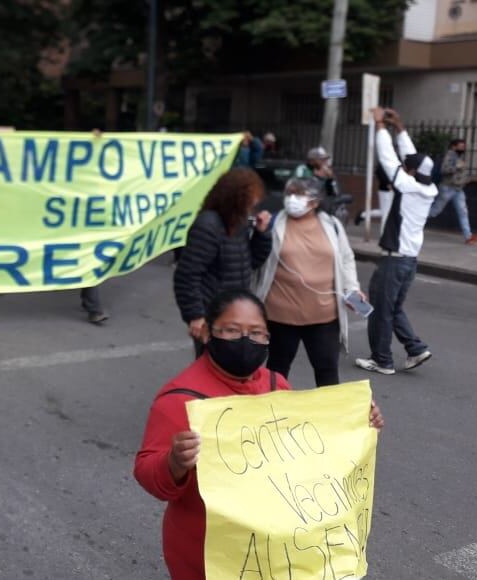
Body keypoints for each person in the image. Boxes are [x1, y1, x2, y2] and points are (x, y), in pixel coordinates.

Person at [133, 289, 384, 580]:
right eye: (231, 330)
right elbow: (147, 473)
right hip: (206, 555)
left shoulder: (276, 385)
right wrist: (174, 462)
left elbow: (307, 454)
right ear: (206, 333)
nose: (245, 341)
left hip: (271, 553)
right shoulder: (179, 400)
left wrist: (357, 423)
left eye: (257, 333)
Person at [253, 178, 364, 387]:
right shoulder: (274, 222)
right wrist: (259, 234)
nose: (291, 199)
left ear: (314, 201)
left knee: (327, 370)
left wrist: (352, 288)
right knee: (277, 371)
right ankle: (272, 416)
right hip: (280, 315)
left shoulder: (333, 226)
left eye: (298, 194)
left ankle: (328, 418)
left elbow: (346, 258)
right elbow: (255, 260)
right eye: (289, 194)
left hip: (324, 316)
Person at [355, 108, 436, 375]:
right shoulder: (426, 187)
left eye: (407, 166)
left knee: (380, 309)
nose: (404, 166)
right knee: (394, 308)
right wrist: (399, 127)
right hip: (409, 261)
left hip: (395, 260)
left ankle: (382, 360)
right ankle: (415, 348)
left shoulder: (408, 186)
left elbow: (389, 160)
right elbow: (411, 159)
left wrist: (380, 126)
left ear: (410, 172)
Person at [173, 167, 272, 357]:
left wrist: (262, 234)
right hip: (214, 313)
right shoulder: (208, 225)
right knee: (212, 370)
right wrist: (195, 316)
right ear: (235, 196)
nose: (255, 203)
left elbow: (251, 262)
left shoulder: (237, 222)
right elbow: (187, 275)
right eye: (250, 197)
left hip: (235, 310)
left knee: (233, 370)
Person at [430, 138, 477, 245]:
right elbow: (444, 170)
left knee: (463, 212)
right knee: (435, 211)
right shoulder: (449, 155)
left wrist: (465, 179)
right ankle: (412, 220)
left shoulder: (458, 156)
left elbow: (458, 174)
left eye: (464, 146)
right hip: (448, 188)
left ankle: (468, 237)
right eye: (461, 146)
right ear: (453, 146)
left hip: (458, 189)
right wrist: (457, 167)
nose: (463, 148)